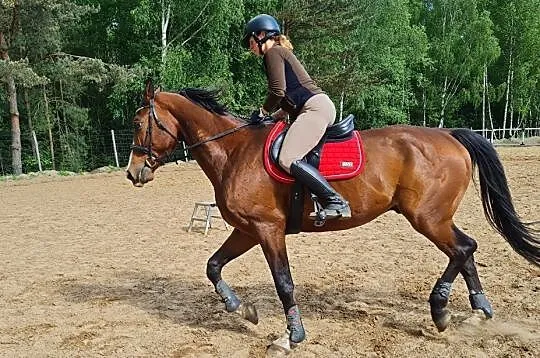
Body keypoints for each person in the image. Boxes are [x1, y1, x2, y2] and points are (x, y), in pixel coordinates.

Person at [242, 14, 351, 220]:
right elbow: (287, 103)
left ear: (262, 35)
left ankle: (335, 201)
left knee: (287, 158)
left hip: (314, 109)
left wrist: (262, 112)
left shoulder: (273, 52)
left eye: (251, 42)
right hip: (312, 108)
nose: (250, 48)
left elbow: (277, 91)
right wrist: (272, 117)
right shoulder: (279, 53)